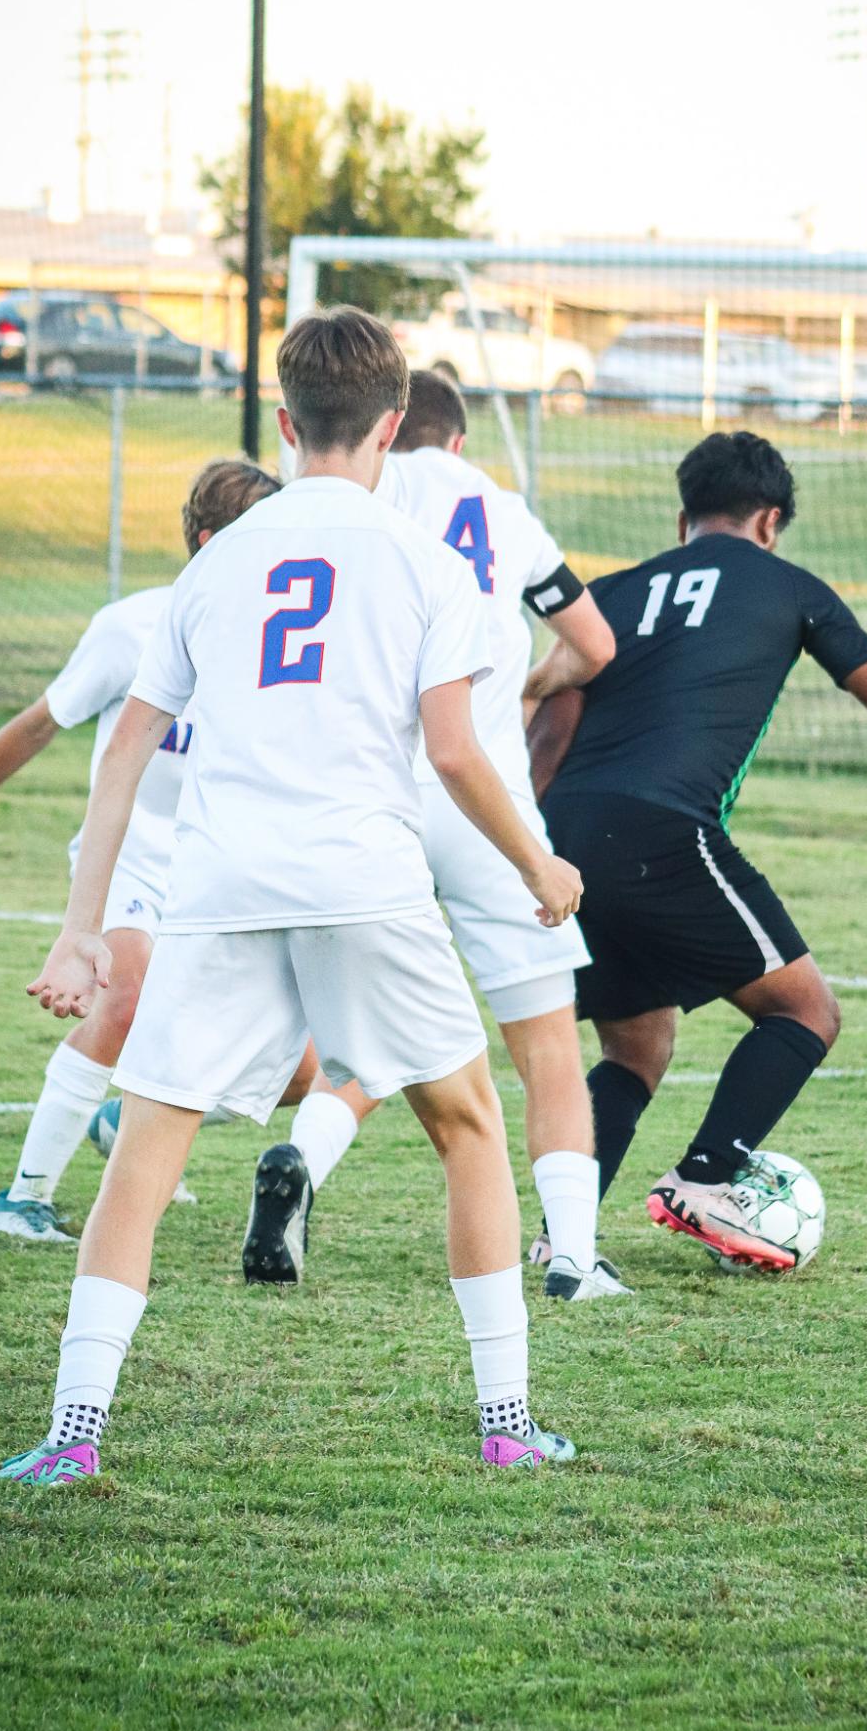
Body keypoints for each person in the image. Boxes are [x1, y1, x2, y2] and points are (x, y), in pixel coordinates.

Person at [0, 306, 584, 1488]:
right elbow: (457, 755)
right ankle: (505, 1424)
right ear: (396, 425)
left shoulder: (217, 560)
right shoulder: (427, 561)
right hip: (361, 877)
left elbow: (126, 750)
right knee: (467, 1127)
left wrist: (82, 924)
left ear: (282, 420)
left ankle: (72, 1438)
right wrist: (535, 866)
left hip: (217, 883)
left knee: (145, 1152)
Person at [527, 429, 867, 1269]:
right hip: (663, 827)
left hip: (565, 832)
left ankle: (565, 1237)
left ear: (683, 519)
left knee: (637, 1046)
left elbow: (551, 724)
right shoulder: (792, 587)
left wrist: (530, 848)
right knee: (807, 1010)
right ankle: (706, 1179)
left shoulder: (612, 593)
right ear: (770, 520)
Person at [242, 369, 628, 1302]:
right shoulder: (502, 508)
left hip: (378, 800)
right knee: (546, 1046)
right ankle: (573, 1255)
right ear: (455, 441)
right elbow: (595, 644)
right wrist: (528, 686)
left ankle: (301, 1158)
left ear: (386, 431)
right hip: (485, 797)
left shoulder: (356, 495)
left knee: (376, 1041)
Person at [0, 458, 288, 1242]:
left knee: (296, 1066)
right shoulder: (133, 627)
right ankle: (22, 1198)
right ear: (207, 541)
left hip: (217, 873)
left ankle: (120, 1119)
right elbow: (35, 726)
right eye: (256, 536)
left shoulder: (277, 643)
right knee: (125, 1000)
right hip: (127, 860)